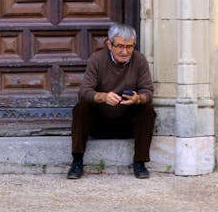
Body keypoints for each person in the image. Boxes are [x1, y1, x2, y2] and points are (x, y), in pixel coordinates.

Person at [67, 22, 156, 180]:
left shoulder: (139, 60)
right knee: (81, 108)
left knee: (147, 110)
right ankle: (77, 161)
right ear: (109, 44)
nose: (124, 51)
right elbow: (84, 91)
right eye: (120, 46)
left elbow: (148, 91)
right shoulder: (97, 59)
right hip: (99, 121)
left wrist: (137, 98)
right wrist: (102, 96)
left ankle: (140, 162)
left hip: (127, 121)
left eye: (129, 47)